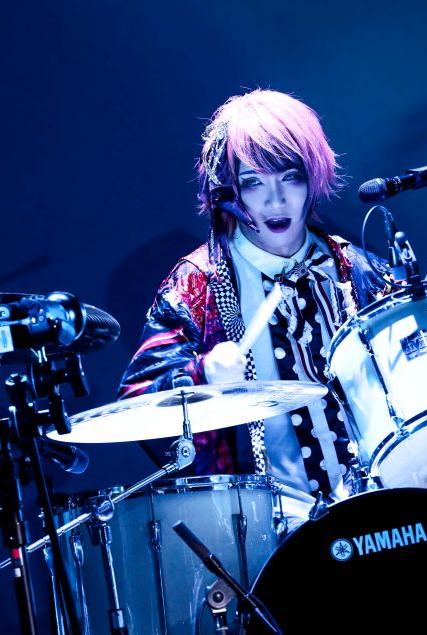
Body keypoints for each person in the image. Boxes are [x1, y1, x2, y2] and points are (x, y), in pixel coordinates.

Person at [118, 89, 388, 505]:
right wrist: (201, 375)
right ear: (229, 191)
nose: (275, 199)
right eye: (253, 182)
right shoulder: (197, 285)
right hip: (273, 527)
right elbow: (138, 402)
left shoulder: (360, 269)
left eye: (290, 177)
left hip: (386, 503)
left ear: (312, 177)